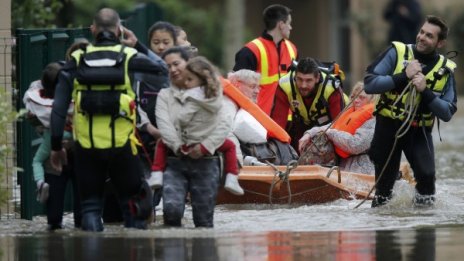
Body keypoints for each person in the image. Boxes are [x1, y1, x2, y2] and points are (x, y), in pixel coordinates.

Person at [50, 8, 168, 231]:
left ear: (93, 29)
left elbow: (59, 107)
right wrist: (138, 45)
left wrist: (56, 146)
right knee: (131, 204)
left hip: (86, 147)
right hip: (122, 146)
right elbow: (163, 69)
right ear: (119, 30)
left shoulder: (76, 59)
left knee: (91, 207)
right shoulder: (129, 56)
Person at [364, 15, 457, 207]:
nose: (422, 37)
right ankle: (383, 229)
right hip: (388, 126)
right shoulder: (397, 52)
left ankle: (423, 226)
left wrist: (426, 91)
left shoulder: (445, 70)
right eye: (421, 32)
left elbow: (447, 112)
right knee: (384, 187)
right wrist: (402, 76)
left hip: (419, 129)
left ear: (440, 43)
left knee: (427, 177)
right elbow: (370, 84)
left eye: (429, 36)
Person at [157, 47, 232, 227]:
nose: (173, 70)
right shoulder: (165, 95)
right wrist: (178, 146)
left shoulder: (212, 92)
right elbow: (164, 125)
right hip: (175, 160)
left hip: (207, 161)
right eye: (167, 66)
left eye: (176, 64)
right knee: (172, 211)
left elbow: (224, 123)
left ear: (189, 65)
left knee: (203, 220)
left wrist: (204, 146)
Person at [149, 56, 244, 195]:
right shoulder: (214, 93)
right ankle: (232, 177)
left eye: (189, 80)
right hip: (209, 140)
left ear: (200, 78)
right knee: (230, 146)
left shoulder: (192, 97)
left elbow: (182, 118)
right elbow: (222, 118)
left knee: (161, 144)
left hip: (189, 140)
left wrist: (179, 124)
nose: (186, 83)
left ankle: (157, 172)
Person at [23, 62, 81, 230]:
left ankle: (41, 183)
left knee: (55, 220)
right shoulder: (74, 88)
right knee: (80, 219)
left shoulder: (35, 97)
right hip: (72, 152)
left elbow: (34, 121)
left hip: (56, 154)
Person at [233, 4, 298, 116]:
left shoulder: (292, 49)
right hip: (259, 121)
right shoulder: (251, 50)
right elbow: (237, 90)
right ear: (281, 25)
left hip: (288, 120)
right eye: (289, 23)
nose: (291, 27)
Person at [299, 82, 376, 174]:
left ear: (372, 100)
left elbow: (355, 145)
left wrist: (331, 133)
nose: (356, 100)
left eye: (361, 97)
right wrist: (309, 134)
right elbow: (329, 127)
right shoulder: (349, 115)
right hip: (344, 168)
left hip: (365, 171)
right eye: (353, 97)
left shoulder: (374, 120)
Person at [273, 57, 347, 152]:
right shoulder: (285, 84)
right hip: (301, 122)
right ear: (295, 76)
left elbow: (339, 127)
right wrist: (279, 151)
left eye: (308, 80)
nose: (303, 85)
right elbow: (278, 124)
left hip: (329, 123)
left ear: (317, 78)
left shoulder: (331, 87)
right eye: (299, 79)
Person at [224, 69, 295, 166]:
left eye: (258, 87)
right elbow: (225, 132)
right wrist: (237, 161)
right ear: (237, 84)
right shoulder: (227, 105)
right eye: (252, 87)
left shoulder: (237, 104)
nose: (257, 91)